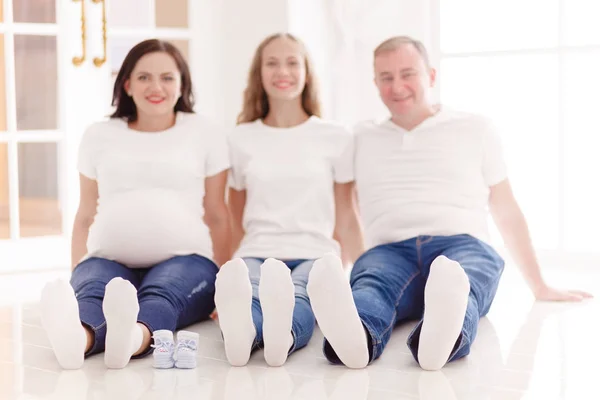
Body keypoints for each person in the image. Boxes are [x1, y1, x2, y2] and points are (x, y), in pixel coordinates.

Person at [306, 36, 593, 371]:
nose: (397, 86)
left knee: (462, 281)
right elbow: (345, 210)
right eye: (386, 78)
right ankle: (356, 340)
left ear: (430, 75)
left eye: (407, 73)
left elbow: (505, 209)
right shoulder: (360, 137)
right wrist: (359, 263)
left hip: (461, 244)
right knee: (372, 286)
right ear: (375, 84)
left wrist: (539, 284)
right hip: (389, 250)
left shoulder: (475, 127)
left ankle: (439, 340)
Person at [40, 39, 232, 370]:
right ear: (127, 84)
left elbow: (218, 213)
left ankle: (133, 340)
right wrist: (78, 272)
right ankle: (78, 339)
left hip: (187, 261)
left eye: (167, 77)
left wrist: (227, 287)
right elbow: (86, 213)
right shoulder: (98, 135)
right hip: (108, 257)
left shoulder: (205, 132)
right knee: (93, 293)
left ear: (182, 84)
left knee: (162, 296)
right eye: (143, 77)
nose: (155, 86)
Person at [214, 33, 363, 367]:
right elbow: (233, 217)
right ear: (259, 74)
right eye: (272, 63)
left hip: (316, 252)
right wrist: (224, 273)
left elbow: (347, 216)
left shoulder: (335, 136)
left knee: (299, 295)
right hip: (257, 251)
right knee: (248, 294)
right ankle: (243, 336)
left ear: (307, 72)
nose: (283, 71)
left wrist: (362, 278)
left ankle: (284, 337)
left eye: (292, 62)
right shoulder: (241, 138)